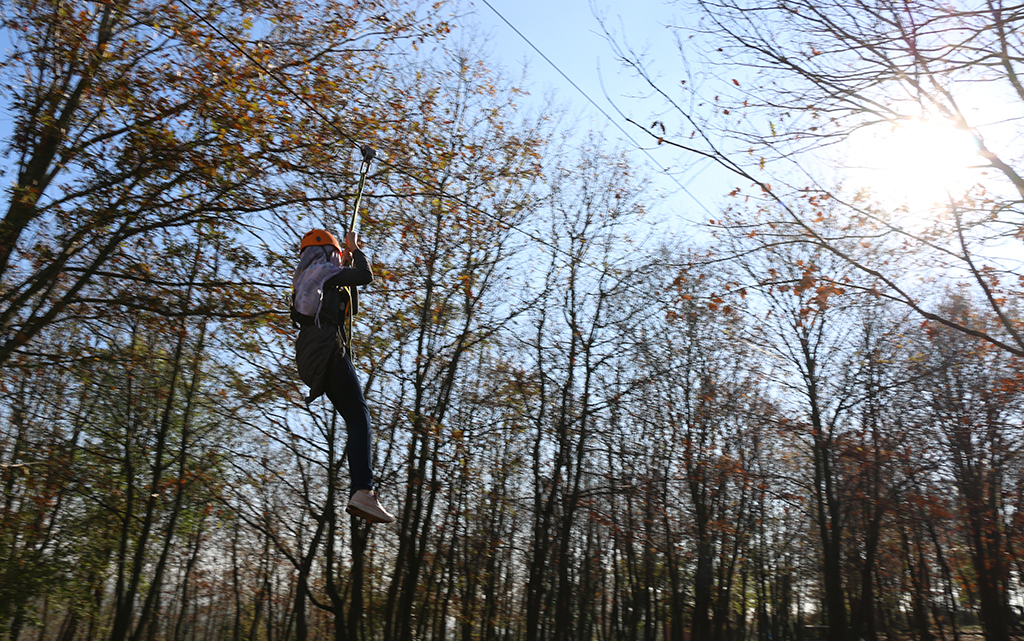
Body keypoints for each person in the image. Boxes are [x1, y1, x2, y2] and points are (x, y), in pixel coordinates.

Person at [291, 228, 395, 524]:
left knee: (353, 416)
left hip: (310, 356)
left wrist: (344, 263)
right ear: (326, 252)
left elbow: (343, 303)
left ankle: (362, 490)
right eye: (335, 253)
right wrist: (355, 250)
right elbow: (365, 276)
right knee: (360, 415)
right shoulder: (325, 271)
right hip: (327, 350)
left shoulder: (304, 279)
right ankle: (364, 490)